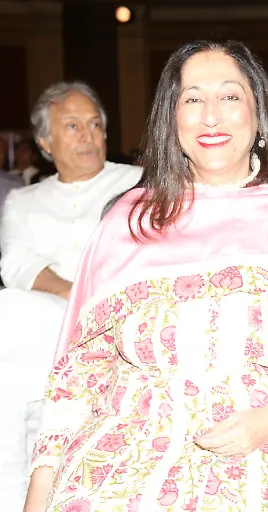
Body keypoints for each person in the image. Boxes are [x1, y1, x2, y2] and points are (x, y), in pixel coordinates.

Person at [24, 40, 268, 512]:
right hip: (127, 444)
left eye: (230, 97)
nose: (210, 116)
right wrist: (38, 495)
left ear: (259, 115)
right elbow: (80, 371)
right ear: (171, 119)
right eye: (192, 99)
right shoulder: (129, 222)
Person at [0, 81, 141, 510]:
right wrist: (74, 294)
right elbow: (17, 266)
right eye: (73, 126)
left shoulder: (137, 183)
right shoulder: (24, 200)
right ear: (45, 141)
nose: (88, 135)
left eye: (95, 124)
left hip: (122, 315)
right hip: (50, 316)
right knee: (9, 309)